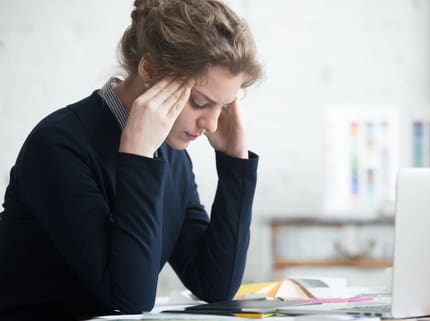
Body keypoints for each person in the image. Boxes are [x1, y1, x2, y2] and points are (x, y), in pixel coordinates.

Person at [0, 0, 263, 319]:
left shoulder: (170, 152)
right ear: (149, 69)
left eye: (223, 107)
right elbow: (130, 296)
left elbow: (214, 284)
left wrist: (234, 163)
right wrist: (137, 155)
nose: (210, 124)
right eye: (198, 102)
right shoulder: (59, 145)